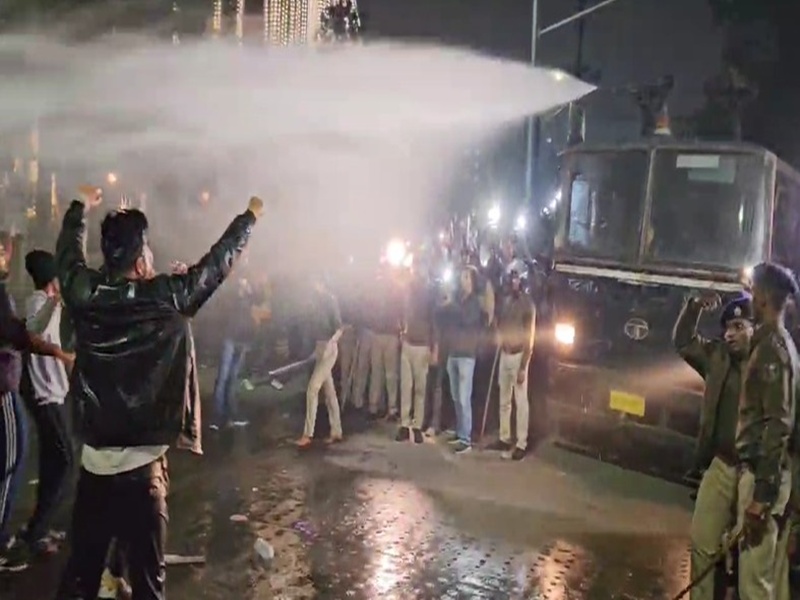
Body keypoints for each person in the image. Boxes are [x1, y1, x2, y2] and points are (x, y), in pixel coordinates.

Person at [54, 187, 262, 600]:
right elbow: (217, 265)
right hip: (144, 476)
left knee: (81, 582)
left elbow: (67, 255)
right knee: (149, 586)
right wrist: (249, 217)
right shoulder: (167, 295)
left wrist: (79, 207)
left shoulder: (84, 293)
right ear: (139, 253)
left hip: (95, 469)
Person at [672, 291, 754, 600]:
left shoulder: (767, 365)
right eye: (727, 328)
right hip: (720, 465)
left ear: (755, 327)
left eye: (738, 326)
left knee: (751, 562)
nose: (730, 334)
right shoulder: (717, 356)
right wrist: (692, 307)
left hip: (754, 474)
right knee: (703, 543)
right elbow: (682, 342)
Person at [0, 244, 74, 573]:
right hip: (44, 395)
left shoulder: (45, 302)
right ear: (51, 277)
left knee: (53, 461)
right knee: (61, 460)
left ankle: (38, 529)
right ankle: (33, 532)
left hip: (53, 393)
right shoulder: (37, 302)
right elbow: (31, 330)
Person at [736, 263, 798, 600]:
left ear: (761, 298)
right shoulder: (779, 343)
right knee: (763, 581)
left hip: (764, 476)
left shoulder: (772, 350)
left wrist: (761, 495)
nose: (748, 298)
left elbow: (778, 424)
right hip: (770, 476)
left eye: (751, 291)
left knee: (754, 586)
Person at [488, 269, 535, 461]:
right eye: (512, 279)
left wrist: (524, 365)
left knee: (520, 401)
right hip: (504, 354)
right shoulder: (506, 301)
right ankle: (504, 437)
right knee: (504, 399)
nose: (514, 282)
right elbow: (499, 323)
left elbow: (530, 337)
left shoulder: (527, 304)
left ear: (522, 282)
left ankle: (521, 442)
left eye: (517, 279)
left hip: (518, 356)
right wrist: (498, 333)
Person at [210, 261, 262, 430]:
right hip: (229, 337)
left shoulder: (249, 290)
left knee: (232, 378)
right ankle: (217, 418)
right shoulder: (229, 290)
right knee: (223, 378)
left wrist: (249, 289)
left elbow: (259, 299)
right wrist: (236, 292)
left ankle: (231, 415)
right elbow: (220, 305)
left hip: (243, 338)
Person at [295, 279, 344, 448]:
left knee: (312, 389)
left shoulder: (330, 300)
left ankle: (308, 434)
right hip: (320, 347)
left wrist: (329, 345)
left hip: (329, 349)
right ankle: (336, 430)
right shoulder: (314, 302)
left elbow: (339, 328)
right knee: (329, 392)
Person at [439, 266, 482, 455]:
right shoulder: (458, 300)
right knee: (456, 397)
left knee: (464, 398)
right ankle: (460, 431)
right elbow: (445, 319)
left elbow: (466, 319)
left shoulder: (474, 303)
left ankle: (466, 440)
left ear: (473, 280)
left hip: (466, 355)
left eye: (466, 277)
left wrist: (451, 306)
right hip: (453, 353)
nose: (463, 280)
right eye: (461, 277)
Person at [397, 271, 437, 444]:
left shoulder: (429, 297)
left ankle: (417, 425)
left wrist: (434, 348)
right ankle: (405, 424)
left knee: (420, 389)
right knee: (406, 387)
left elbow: (434, 324)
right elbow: (401, 315)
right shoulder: (407, 295)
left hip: (421, 346)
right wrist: (401, 331)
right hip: (408, 344)